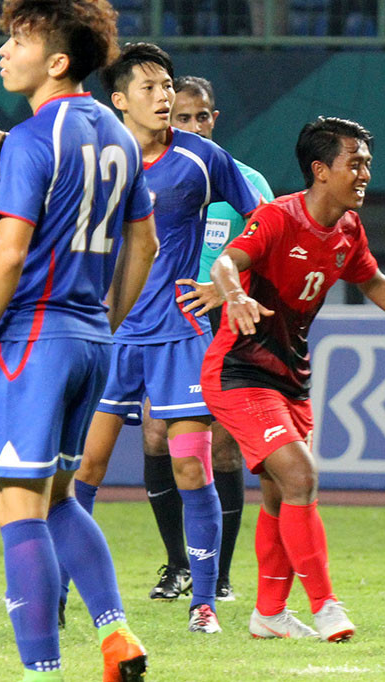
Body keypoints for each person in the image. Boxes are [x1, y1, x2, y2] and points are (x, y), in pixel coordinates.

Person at [202, 116, 385, 641]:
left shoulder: (347, 229)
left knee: (278, 493)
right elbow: (227, 263)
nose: (364, 173)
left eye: (366, 163)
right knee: (300, 477)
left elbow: (374, 282)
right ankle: (326, 607)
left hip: (292, 377)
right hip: (240, 370)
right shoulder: (277, 218)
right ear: (320, 170)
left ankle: (268, 613)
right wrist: (235, 292)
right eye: (354, 163)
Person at [0, 1, 158, 680]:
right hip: (91, 337)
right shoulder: (120, 138)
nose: (4, 51)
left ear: (58, 61)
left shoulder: (35, 140)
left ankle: (41, 671)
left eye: (19, 40)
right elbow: (143, 242)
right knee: (60, 497)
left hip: (32, 337)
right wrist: (107, 322)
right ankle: (117, 632)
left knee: (17, 504)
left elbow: (8, 253)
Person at [72, 42, 263, 634]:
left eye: (168, 86)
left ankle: (203, 603)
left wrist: (224, 283)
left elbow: (265, 220)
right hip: (111, 336)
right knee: (85, 470)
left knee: (190, 470)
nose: (164, 97)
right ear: (119, 100)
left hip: (181, 337)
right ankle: (56, 589)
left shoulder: (204, 159)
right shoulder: (100, 158)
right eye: (151, 89)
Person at [138, 74, 275, 603]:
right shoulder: (152, 175)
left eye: (202, 117)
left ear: (214, 119)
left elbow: (269, 245)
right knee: (154, 434)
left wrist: (225, 292)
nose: (194, 126)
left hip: (224, 325)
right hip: (164, 323)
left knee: (219, 450)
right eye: (182, 118)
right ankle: (177, 565)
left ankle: (216, 575)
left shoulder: (244, 180)